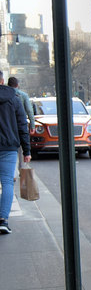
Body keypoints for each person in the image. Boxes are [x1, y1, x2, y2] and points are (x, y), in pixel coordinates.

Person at [0, 70, 30, 234]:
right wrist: (27, 150)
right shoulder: (14, 99)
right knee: (7, 183)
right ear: (2, 81)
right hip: (8, 148)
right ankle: (3, 220)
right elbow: (22, 126)